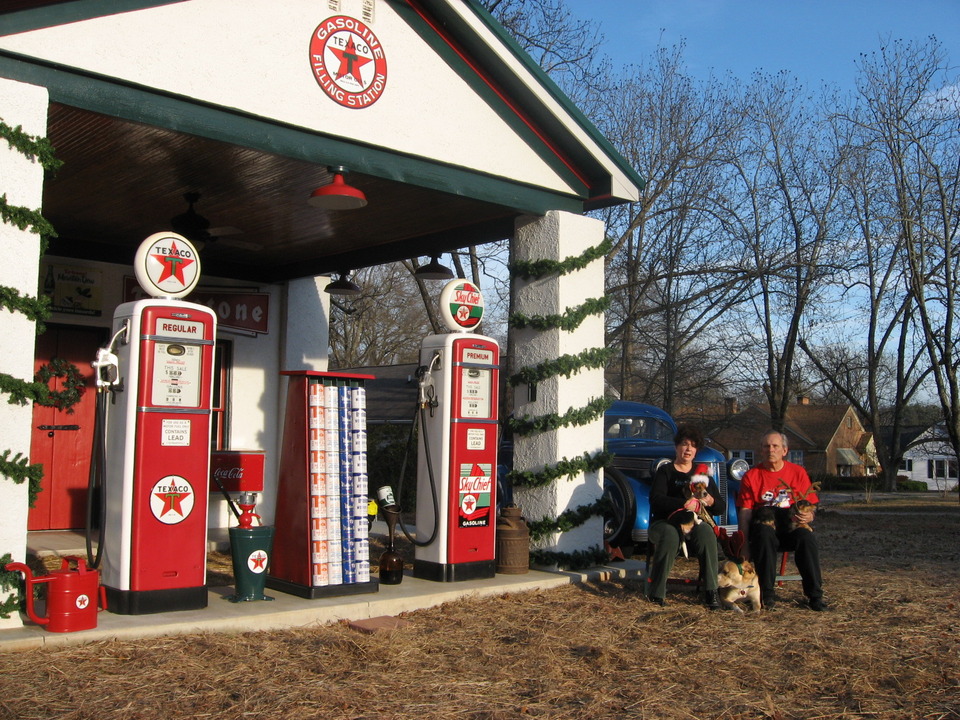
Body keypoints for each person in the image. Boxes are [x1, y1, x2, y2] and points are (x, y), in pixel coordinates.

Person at [737, 430, 825, 611]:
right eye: (766, 446)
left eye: (775, 446)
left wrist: (810, 516)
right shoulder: (752, 476)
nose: (771, 450)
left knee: (806, 538)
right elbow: (745, 512)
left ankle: (815, 596)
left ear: (785, 450)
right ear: (761, 450)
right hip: (764, 529)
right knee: (763, 533)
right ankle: (767, 595)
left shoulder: (797, 472)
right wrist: (743, 543)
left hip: (790, 527)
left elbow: (811, 505)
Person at [646, 425, 725, 609]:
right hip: (664, 522)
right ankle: (657, 592)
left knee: (705, 531)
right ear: (676, 447)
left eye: (693, 445)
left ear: (697, 450)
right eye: (684, 444)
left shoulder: (702, 475)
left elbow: (720, 507)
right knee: (670, 533)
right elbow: (655, 500)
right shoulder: (665, 471)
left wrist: (710, 500)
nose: (688, 449)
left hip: (694, 523)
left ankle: (711, 592)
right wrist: (682, 504)